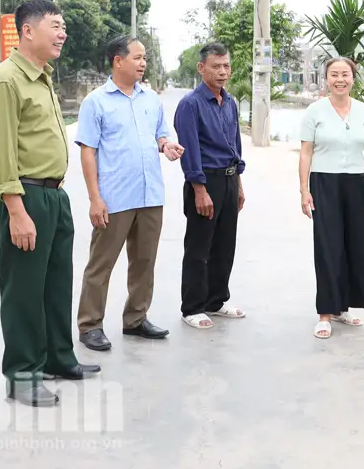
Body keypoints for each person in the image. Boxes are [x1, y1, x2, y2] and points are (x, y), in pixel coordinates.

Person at [0, 0, 100, 408]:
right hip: (24, 196)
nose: (62, 33)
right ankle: (23, 373)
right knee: (23, 290)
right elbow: (0, 153)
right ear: (27, 30)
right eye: (55, 25)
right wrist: (16, 210)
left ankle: (57, 360)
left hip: (54, 195)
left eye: (63, 25)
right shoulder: (4, 81)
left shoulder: (41, 77)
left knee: (54, 285)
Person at [74, 36, 185, 352]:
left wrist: (166, 145)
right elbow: (87, 151)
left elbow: (160, 134)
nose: (142, 63)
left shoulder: (150, 99)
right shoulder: (96, 102)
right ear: (117, 61)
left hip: (150, 195)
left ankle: (136, 318)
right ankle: (90, 325)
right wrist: (95, 198)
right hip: (115, 198)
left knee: (144, 262)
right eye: (137, 57)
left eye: (145, 58)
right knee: (101, 264)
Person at [298, 57, 364, 339]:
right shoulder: (315, 111)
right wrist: (303, 189)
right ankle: (325, 312)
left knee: (357, 245)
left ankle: (342, 306)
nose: (340, 79)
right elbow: (306, 152)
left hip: (356, 182)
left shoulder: (363, 111)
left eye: (345, 74)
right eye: (334, 74)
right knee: (328, 246)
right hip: (324, 182)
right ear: (326, 78)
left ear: (353, 78)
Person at [173, 43, 247, 330]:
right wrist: (199, 189)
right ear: (201, 68)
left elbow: (235, 146)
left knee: (225, 243)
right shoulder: (190, 104)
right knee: (199, 246)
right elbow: (190, 149)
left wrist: (238, 184)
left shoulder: (230, 103)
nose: (223, 71)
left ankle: (216, 300)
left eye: (226, 65)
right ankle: (192, 307)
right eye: (216, 66)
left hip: (229, 179)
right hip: (205, 180)